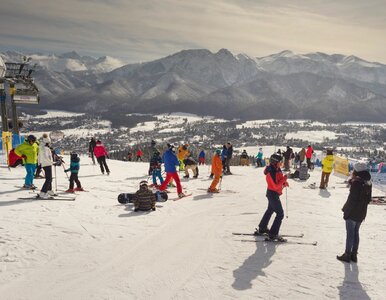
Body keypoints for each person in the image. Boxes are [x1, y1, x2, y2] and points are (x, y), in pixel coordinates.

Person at [337, 162, 372, 263]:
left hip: (353, 212)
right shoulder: (368, 182)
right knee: (356, 233)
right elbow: (368, 199)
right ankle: (354, 255)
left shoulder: (356, 182)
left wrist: (346, 211)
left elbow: (352, 199)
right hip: (361, 212)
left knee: (350, 234)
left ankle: (347, 255)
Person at [255, 154, 289, 241]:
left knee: (270, 210)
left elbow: (279, 179)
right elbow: (275, 186)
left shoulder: (276, 168)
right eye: (280, 162)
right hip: (272, 194)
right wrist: (284, 180)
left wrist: (284, 183)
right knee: (280, 214)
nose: (281, 163)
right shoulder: (271, 172)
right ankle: (273, 234)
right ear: (275, 162)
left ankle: (262, 228)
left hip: (273, 193)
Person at [37, 134, 55, 198]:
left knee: (50, 178)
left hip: (46, 164)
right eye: (49, 143)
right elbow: (46, 158)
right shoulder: (45, 149)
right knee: (48, 179)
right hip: (46, 164)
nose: (50, 144)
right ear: (47, 143)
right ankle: (43, 192)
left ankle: (49, 190)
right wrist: (53, 162)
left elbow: (41, 157)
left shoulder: (43, 148)